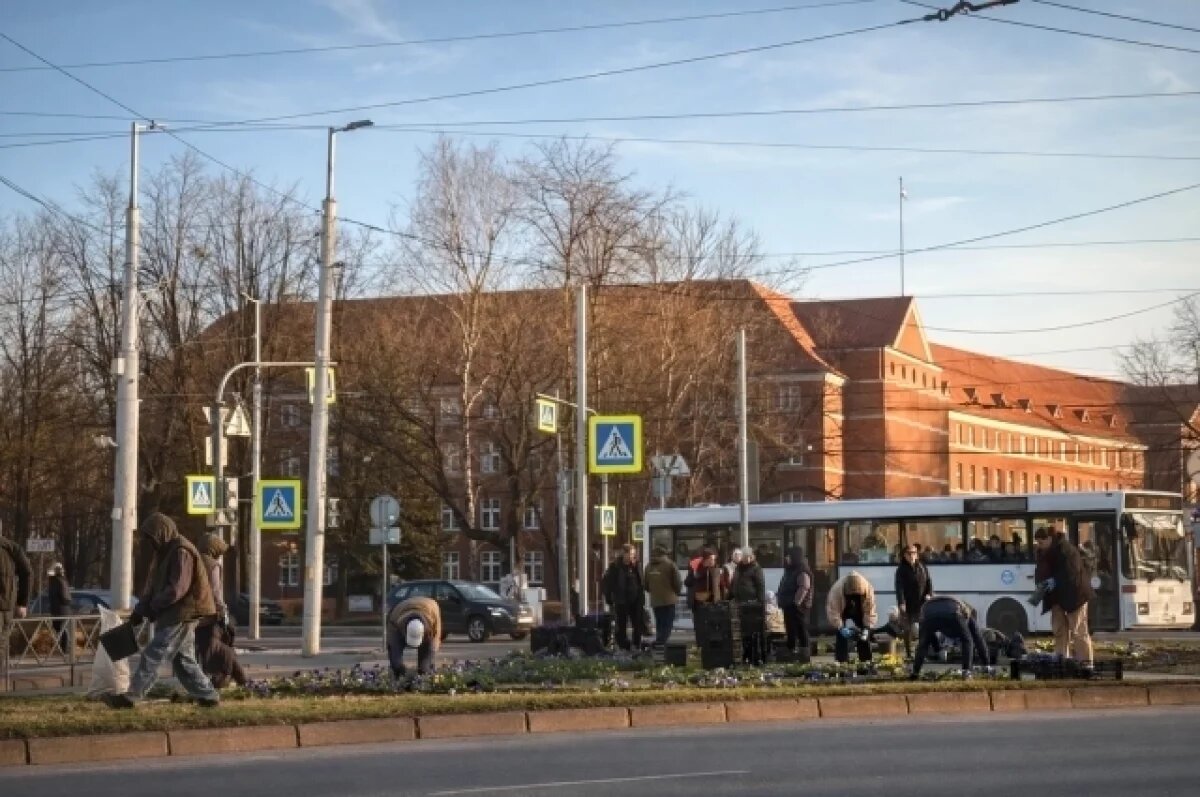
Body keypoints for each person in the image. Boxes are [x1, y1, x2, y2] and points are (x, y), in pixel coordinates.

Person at [104, 512, 221, 708]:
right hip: (177, 612)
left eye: (151, 538)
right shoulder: (165, 552)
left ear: (161, 533)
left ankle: (132, 696)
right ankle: (208, 695)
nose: (150, 543)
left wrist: (152, 607)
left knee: (154, 653)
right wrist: (139, 611)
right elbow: (153, 586)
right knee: (183, 660)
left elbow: (176, 589)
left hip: (183, 613)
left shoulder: (181, 551)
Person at [1034, 526, 1095, 669]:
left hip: (1076, 596)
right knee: (1060, 630)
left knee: (1078, 631)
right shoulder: (1043, 553)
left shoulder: (1067, 551)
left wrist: (1053, 581)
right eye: (1037, 542)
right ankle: (1061, 661)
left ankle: (1086, 664)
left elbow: (1071, 574)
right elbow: (1041, 572)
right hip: (1057, 597)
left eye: (1041, 542)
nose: (1039, 545)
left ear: (1049, 539)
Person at [195, 534, 245, 689]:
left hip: (194, 615)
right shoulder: (212, 565)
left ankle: (237, 679)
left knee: (204, 650)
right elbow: (215, 592)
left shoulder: (193, 561)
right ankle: (238, 680)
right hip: (211, 616)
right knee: (222, 648)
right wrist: (223, 611)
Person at [910, 595, 990, 679]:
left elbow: (928, 635)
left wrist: (937, 649)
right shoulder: (968, 614)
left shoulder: (953, 605)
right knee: (967, 640)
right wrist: (986, 663)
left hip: (928, 612)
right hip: (951, 611)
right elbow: (978, 639)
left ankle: (915, 673)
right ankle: (966, 671)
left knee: (923, 644)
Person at [1, 532, 32, 692]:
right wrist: (22, 603)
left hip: (6, 607)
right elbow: (27, 572)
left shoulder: (12, 549)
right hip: (6, 607)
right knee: (1, 645)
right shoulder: (12, 548)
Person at [826, 571, 876, 663]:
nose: (853, 598)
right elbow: (833, 611)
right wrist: (840, 627)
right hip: (843, 608)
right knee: (841, 635)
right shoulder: (836, 591)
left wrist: (866, 628)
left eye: (856, 595)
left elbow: (870, 610)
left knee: (863, 635)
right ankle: (842, 661)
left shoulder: (868, 590)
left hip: (860, 609)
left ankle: (866, 661)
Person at [602, 544, 645, 651]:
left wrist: (641, 597)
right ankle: (624, 646)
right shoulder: (615, 566)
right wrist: (609, 598)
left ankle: (636, 644)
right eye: (630, 554)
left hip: (636, 600)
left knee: (637, 623)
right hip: (622, 600)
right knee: (621, 624)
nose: (632, 557)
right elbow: (608, 584)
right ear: (624, 554)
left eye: (633, 554)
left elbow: (641, 582)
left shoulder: (636, 565)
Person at [894, 544, 933, 659]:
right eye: (909, 553)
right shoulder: (901, 569)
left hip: (921, 602)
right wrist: (901, 602)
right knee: (907, 629)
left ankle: (922, 652)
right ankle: (909, 653)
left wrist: (929, 594)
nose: (912, 556)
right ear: (904, 555)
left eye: (914, 553)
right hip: (908, 603)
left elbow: (929, 582)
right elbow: (899, 587)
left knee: (923, 628)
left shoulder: (922, 567)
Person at [388, 594, 441, 677]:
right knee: (396, 663)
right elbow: (392, 643)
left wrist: (431, 652)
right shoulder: (395, 618)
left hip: (428, 610)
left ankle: (424, 674)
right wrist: (397, 667)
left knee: (425, 667)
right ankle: (398, 674)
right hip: (400, 613)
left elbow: (436, 636)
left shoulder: (433, 613)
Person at [728, 549, 767, 665]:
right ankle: (745, 655)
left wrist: (760, 602)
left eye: (749, 556)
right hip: (740, 603)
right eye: (745, 557)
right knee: (743, 632)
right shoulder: (739, 568)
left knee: (753, 632)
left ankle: (755, 656)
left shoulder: (756, 569)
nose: (747, 559)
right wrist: (730, 596)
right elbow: (734, 584)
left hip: (753, 605)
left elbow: (760, 586)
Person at [775, 546, 813, 656]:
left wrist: (796, 602)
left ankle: (804, 653)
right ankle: (791, 650)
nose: (786, 558)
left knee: (801, 629)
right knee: (790, 628)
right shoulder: (790, 569)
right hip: (789, 605)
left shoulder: (802, 571)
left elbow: (804, 587)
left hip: (797, 607)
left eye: (789, 556)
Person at [642, 545, 682, 646]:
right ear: (664, 554)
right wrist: (676, 592)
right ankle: (662, 641)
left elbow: (645, 585)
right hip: (669, 600)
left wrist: (654, 592)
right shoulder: (670, 565)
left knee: (659, 621)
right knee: (667, 622)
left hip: (655, 600)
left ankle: (659, 639)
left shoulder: (648, 567)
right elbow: (677, 582)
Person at [47, 561, 72, 651]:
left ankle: (64, 648)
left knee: (60, 628)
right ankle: (65, 647)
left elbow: (57, 596)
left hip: (58, 609)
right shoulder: (63, 580)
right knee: (62, 628)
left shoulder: (56, 581)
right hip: (63, 609)